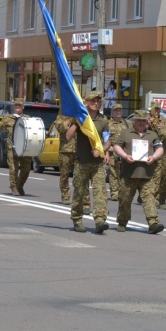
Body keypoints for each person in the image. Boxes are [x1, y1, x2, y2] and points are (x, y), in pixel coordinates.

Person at [113, 109, 165, 234]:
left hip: (146, 174)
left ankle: (153, 223)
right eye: (139, 120)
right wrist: (125, 156)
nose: (141, 123)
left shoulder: (152, 135)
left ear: (147, 122)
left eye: (144, 120)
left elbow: (160, 148)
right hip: (128, 174)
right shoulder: (125, 133)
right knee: (125, 199)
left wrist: (154, 157)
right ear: (134, 121)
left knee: (149, 199)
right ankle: (122, 221)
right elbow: (116, 146)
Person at [66, 91, 109, 234]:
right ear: (86, 103)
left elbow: (108, 140)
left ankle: (100, 220)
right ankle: (77, 219)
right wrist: (77, 123)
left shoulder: (103, 120)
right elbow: (68, 136)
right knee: (79, 192)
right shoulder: (81, 118)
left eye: (98, 101)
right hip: (82, 163)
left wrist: (101, 149)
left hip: (97, 164)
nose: (96, 103)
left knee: (100, 192)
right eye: (93, 101)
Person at [1, 98, 30, 195]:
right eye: (16, 105)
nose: (18, 107)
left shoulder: (28, 118)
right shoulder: (8, 118)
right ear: (14, 107)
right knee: (13, 168)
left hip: (24, 147)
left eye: (19, 105)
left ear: (23, 107)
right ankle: (13, 187)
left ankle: (20, 185)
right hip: (12, 147)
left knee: (26, 169)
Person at [105, 104, 130, 201]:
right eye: (116, 110)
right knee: (113, 173)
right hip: (112, 153)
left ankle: (122, 192)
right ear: (112, 112)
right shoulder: (108, 124)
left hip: (124, 153)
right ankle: (114, 193)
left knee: (123, 173)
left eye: (120, 110)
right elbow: (105, 138)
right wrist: (108, 150)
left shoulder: (127, 123)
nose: (118, 112)